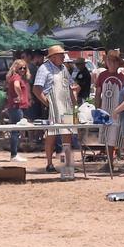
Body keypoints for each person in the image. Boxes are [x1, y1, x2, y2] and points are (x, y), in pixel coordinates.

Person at [34, 44, 79, 175]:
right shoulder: (44, 69)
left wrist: (74, 99)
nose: (64, 57)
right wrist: (48, 103)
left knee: (68, 134)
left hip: (66, 105)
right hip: (53, 105)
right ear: (53, 57)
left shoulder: (64, 68)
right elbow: (37, 89)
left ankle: (67, 164)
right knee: (51, 135)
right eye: (61, 55)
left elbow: (70, 85)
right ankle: (49, 164)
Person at [2, 55, 33, 159]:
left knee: (16, 130)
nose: (23, 70)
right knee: (16, 130)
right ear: (15, 68)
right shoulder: (16, 77)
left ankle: (14, 153)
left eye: (24, 68)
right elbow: (16, 86)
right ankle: (14, 154)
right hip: (16, 107)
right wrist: (19, 95)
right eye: (20, 68)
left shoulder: (18, 77)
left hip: (18, 107)